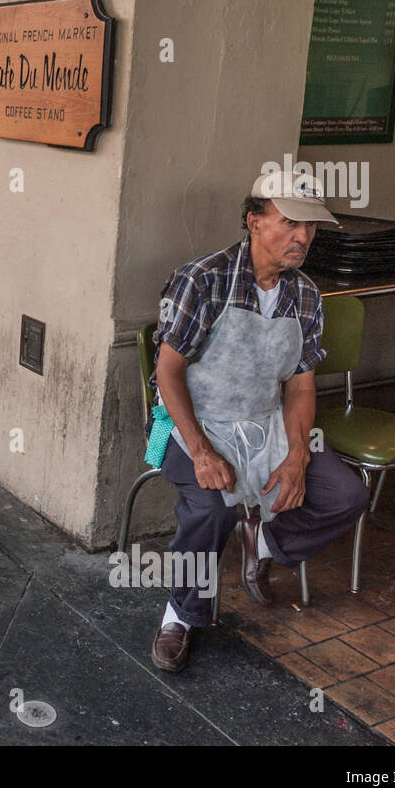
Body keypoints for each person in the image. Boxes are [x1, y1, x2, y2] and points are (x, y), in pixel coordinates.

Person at [148, 170, 370, 673]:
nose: (303, 237)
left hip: (264, 421)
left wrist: (296, 458)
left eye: (311, 227)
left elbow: (300, 385)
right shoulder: (203, 279)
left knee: (346, 495)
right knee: (210, 509)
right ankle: (179, 615)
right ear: (253, 221)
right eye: (290, 223)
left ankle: (266, 541)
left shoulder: (306, 295)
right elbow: (168, 372)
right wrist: (202, 452)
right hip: (191, 422)